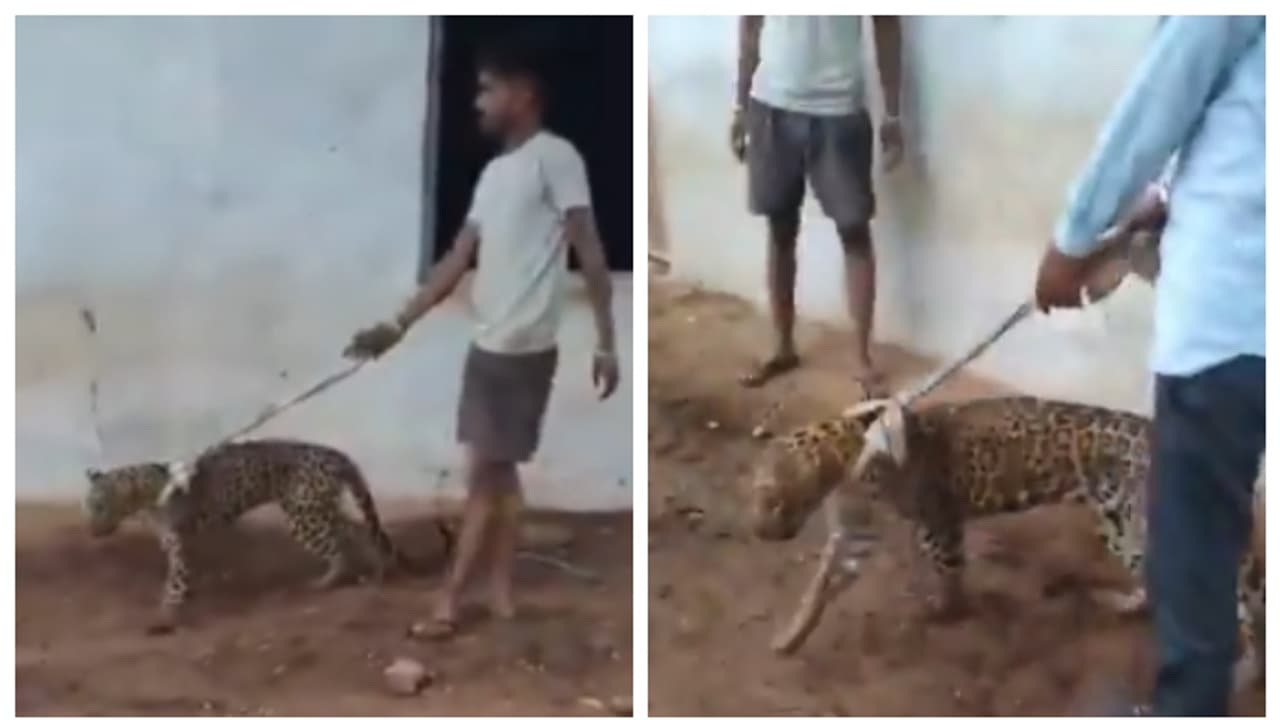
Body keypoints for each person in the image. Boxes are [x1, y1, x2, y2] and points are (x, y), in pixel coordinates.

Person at [345, 42, 620, 635]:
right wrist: (396, 325)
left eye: (488, 89)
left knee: (484, 477)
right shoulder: (496, 175)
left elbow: (591, 251)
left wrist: (607, 342)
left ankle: (449, 601)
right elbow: (457, 258)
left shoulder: (556, 158)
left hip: (521, 348)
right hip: (489, 343)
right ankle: (500, 591)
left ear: (523, 93)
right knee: (498, 472)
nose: (478, 102)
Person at [1034, 16, 1264, 716]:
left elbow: (1158, 105)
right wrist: (1166, 197)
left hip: (1232, 320)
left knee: (1193, 562)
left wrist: (1073, 243)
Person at [731, 15, 903, 395]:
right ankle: (782, 346)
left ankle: (862, 358)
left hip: (839, 110)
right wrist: (740, 106)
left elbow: (887, 24)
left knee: (854, 231)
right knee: (780, 229)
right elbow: (750, 24)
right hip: (772, 104)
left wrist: (892, 114)